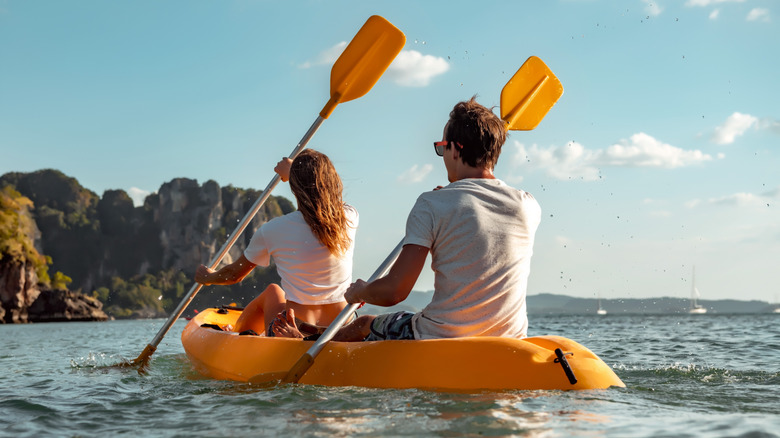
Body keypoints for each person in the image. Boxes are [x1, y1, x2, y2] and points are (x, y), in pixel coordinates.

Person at [273, 97, 541, 341]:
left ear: (456, 150)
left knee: (365, 323)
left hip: (438, 334)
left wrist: (360, 292)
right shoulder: (527, 205)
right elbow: (479, 228)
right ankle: (315, 334)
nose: (443, 157)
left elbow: (394, 291)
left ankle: (303, 342)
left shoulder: (431, 204)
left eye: (441, 148)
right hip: (509, 337)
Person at [195, 149, 358, 336]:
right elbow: (326, 200)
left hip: (294, 329)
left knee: (273, 291)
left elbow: (234, 275)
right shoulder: (350, 217)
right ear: (333, 181)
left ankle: (237, 336)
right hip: (342, 327)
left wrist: (208, 278)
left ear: (295, 186)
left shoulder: (272, 230)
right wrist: (294, 173)